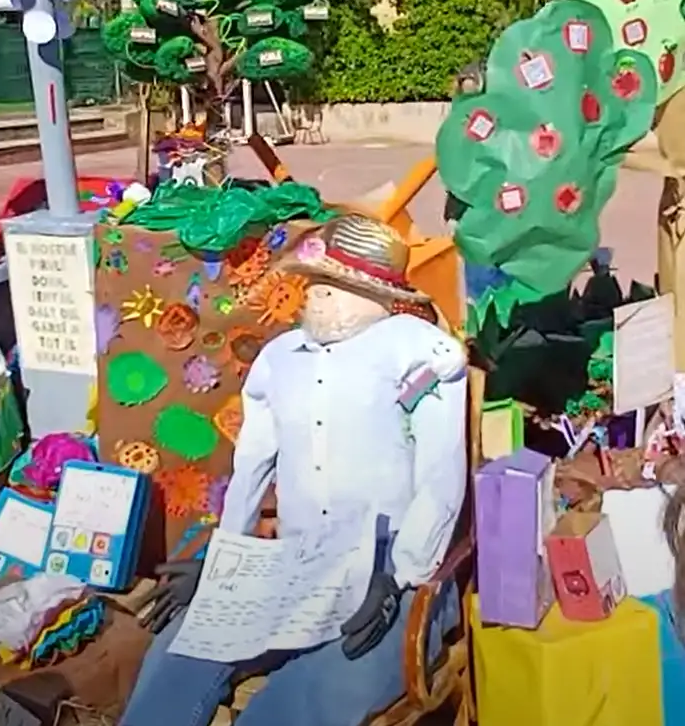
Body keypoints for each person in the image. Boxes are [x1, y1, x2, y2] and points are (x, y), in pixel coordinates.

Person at [120, 213, 469, 726]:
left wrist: (400, 574)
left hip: (390, 578)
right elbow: (251, 467)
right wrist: (224, 565)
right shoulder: (279, 358)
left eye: (337, 284)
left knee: (299, 703)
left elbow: (440, 477)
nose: (317, 294)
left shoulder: (417, 354)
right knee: (180, 656)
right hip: (297, 567)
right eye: (315, 281)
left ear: (379, 295)